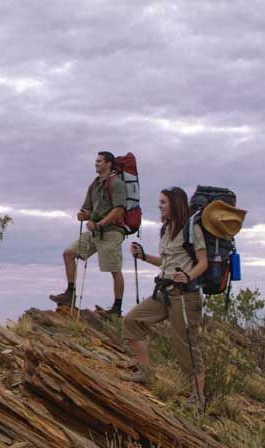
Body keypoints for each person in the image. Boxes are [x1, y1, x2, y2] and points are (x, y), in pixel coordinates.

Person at [122, 186, 208, 409]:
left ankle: (198, 398)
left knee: (186, 346)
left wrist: (188, 276)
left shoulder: (192, 229)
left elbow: (203, 263)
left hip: (185, 296)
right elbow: (166, 262)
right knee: (131, 321)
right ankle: (146, 372)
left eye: (163, 202)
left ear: (175, 204)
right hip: (164, 293)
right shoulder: (166, 229)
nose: (159, 206)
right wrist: (143, 256)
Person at [50, 151, 126, 315]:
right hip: (95, 230)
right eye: (96, 161)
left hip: (112, 231)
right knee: (69, 253)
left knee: (114, 268)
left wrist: (98, 224)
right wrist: (84, 215)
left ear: (108, 163)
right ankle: (70, 294)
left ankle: (117, 308)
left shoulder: (117, 183)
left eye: (99, 161)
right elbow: (89, 209)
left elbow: (119, 209)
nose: (96, 164)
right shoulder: (95, 185)